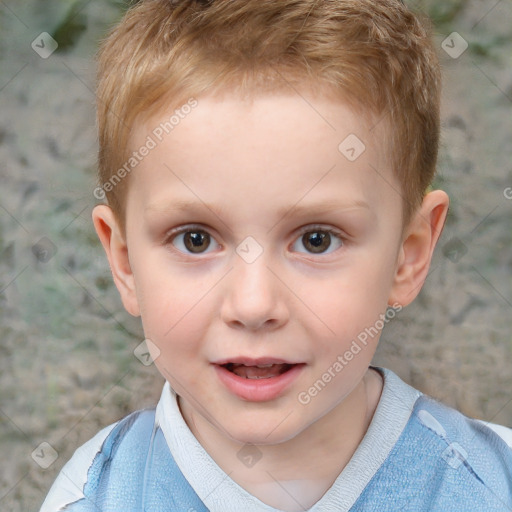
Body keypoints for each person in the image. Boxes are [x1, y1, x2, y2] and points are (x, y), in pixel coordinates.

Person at [40, 0, 512, 510]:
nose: (253, 304)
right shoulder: (92, 497)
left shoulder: (492, 482)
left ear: (408, 255)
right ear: (126, 263)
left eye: (316, 240)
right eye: (195, 239)